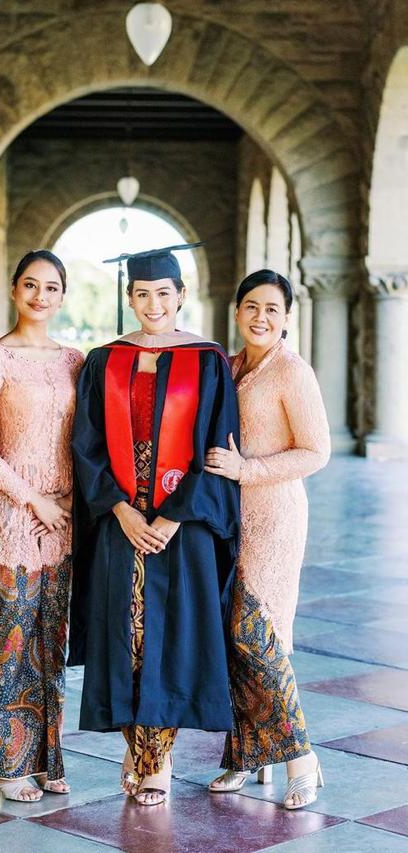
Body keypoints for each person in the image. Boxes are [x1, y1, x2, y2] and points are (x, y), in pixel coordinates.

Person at [69, 244, 241, 806]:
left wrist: (172, 516)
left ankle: (157, 758)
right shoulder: (105, 359)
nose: (152, 304)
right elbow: (87, 445)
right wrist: (118, 507)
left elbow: (218, 447)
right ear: (129, 298)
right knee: (127, 635)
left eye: (163, 293)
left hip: (180, 522)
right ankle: (133, 743)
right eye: (141, 295)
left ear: (180, 295)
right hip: (120, 518)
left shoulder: (207, 360)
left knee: (169, 638)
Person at [206, 269, 330, 810]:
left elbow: (315, 452)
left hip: (274, 517)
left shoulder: (292, 372)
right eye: (252, 306)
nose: (261, 317)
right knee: (232, 639)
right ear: (237, 311)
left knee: (257, 634)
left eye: (273, 309)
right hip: (229, 520)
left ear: (286, 318)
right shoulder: (230, 366)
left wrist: (243, 470)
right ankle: (245, 754)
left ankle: (302, 760)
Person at [0, 250, 84, 803]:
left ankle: (45, 757)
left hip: (62, 517)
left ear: (63, 296)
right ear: (14, 290)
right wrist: (34, 499)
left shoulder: (74, 361)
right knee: (8, 637)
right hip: (13, 510)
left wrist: (67, 501)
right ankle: (5, 763)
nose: (41, 296)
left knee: (49, 641)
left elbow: (85, 441)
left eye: (51, 287)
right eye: (31, 285)